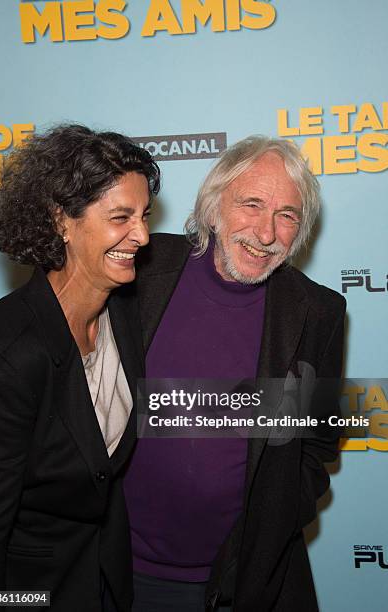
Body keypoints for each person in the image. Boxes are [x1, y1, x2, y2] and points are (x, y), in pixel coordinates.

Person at [123, 136, 346, 611]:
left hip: (240, 583)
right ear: (212, 206)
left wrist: (276, 520)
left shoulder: (318, 312)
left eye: (287, 215)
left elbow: (319, 445)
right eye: (252, 204)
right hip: (116, 571)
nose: (266, 233)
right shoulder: (137, 270)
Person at [0, 124, 160, 611]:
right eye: (121, 216)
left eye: (144, 215)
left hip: (108, 574)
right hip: (32, 587)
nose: (142, 236)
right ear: (62, 221)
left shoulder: (124, 308)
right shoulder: (9, 350)